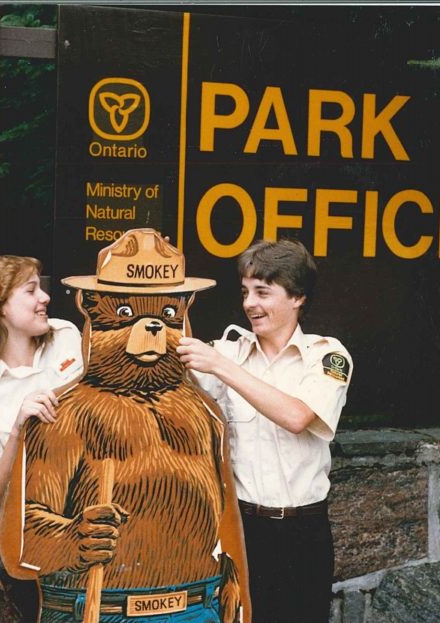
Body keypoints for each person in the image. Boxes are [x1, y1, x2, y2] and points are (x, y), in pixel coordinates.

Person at [176, 239, 353, 623]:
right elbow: (175, 387)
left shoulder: (327, 355)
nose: (250, 304)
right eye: (245, 292)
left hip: (303, 533)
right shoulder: (229, 351)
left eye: (263, 292)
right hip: (242, 529)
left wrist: (222, 368)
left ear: (297, 298)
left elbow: (296, 416)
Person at [0, 254, 83, 508]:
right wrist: (18, 431)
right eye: (31, 290)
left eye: (40, 288)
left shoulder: (67, 336)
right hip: (45, 516)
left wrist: (184, 365)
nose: (45, 297)